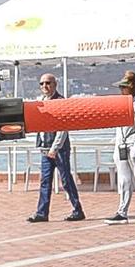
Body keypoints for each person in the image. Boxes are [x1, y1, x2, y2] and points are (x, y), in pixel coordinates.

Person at [25, 73, 85, 222]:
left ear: (55, 84)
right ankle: (42, 213)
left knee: (66, 180)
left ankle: (77, 210)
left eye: (48, 83)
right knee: (45, 181)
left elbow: (63, 128)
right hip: (45, 148)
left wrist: (55, 147)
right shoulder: (41, 102)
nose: (45, 86)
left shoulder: (60, 101)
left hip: (59, 149)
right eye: (42, 83)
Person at [107, 70, 135, 224]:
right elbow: (119, 127)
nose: (121, 90)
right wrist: (117, 145)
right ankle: (122, 212)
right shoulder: (123, 105)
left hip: (134, 146)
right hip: (122, 146)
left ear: (131, 87)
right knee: (124, 179)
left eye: (124, 87)